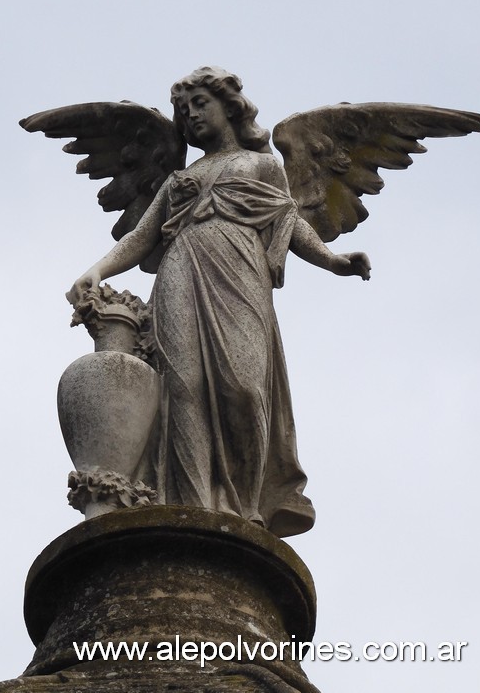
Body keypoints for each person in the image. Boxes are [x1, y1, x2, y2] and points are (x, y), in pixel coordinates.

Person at [67, 66, 370, 537]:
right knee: (182, 387)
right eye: (183, 113)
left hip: (240, 273)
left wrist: (333, 260)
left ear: (230, 106)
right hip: (180, 272)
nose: (191, 117)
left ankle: (245, 507)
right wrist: (98, 269)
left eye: (200, 105)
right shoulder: (179, 178)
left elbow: (289, 223)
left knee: (244, 389)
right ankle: (193, 504)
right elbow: (144, 236)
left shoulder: (262, 165)